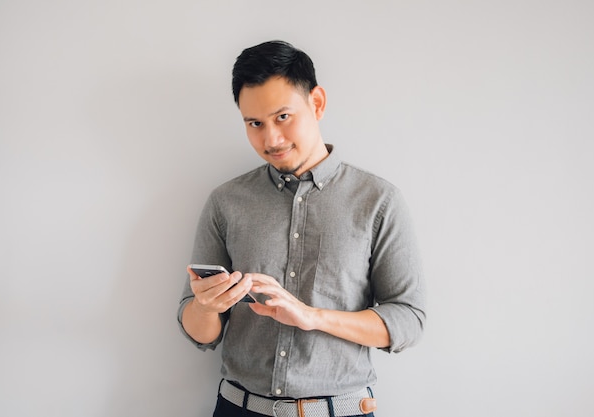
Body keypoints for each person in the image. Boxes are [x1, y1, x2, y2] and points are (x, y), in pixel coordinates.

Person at [177, 40, 426, 417]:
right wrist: (205, 307)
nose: (270, 139)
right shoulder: (225, 201)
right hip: (238, 409)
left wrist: (311, 316)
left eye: (282, 117)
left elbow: (409, 320)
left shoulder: (379, 200)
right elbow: (200, 332)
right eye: (254, 124)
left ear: (317, 103)